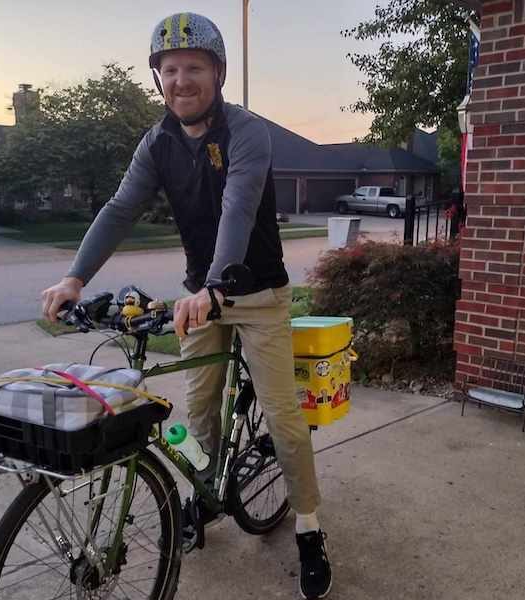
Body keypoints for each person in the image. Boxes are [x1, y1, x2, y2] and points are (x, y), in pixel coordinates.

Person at [40, 12, 332, 599]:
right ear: (158, 79)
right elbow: (120, 209)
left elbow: (238, 208)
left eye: (193, 67)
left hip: (256, 294)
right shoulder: (158, 142)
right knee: (194, 417)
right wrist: (74, 277)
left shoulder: (246, 132)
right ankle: (204, 496)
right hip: (202, 295)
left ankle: (308, 527)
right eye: (169, 70)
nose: (181, 80)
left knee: (283, 419)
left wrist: (216, 286)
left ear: (217, 73)